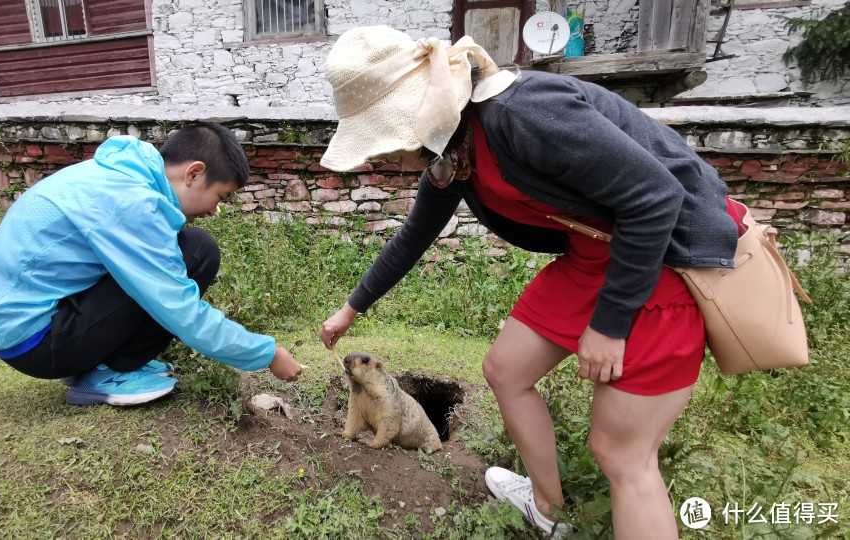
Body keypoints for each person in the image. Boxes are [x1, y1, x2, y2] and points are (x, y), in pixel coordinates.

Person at [316, 26, 741, 539]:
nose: (377, 158)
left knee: (623, 454)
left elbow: (655, 198)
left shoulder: (524, 114)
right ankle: (548, 509)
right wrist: (351, 308)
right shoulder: (453, 153)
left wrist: (610, 324)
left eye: (381, 139)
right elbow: (412, 237)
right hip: (591, 259)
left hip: (656, 261)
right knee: (506, 369)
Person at [0, 122, 302, 406]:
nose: (216, 210)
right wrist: (268, 354)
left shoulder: (120, 178)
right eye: (221, 196)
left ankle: (99, 365)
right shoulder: (134, 204)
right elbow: (180, 310)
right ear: (194, 173)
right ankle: (107, 375)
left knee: (190, 247)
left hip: (28, 329)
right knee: (198, 251)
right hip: (36, 343)